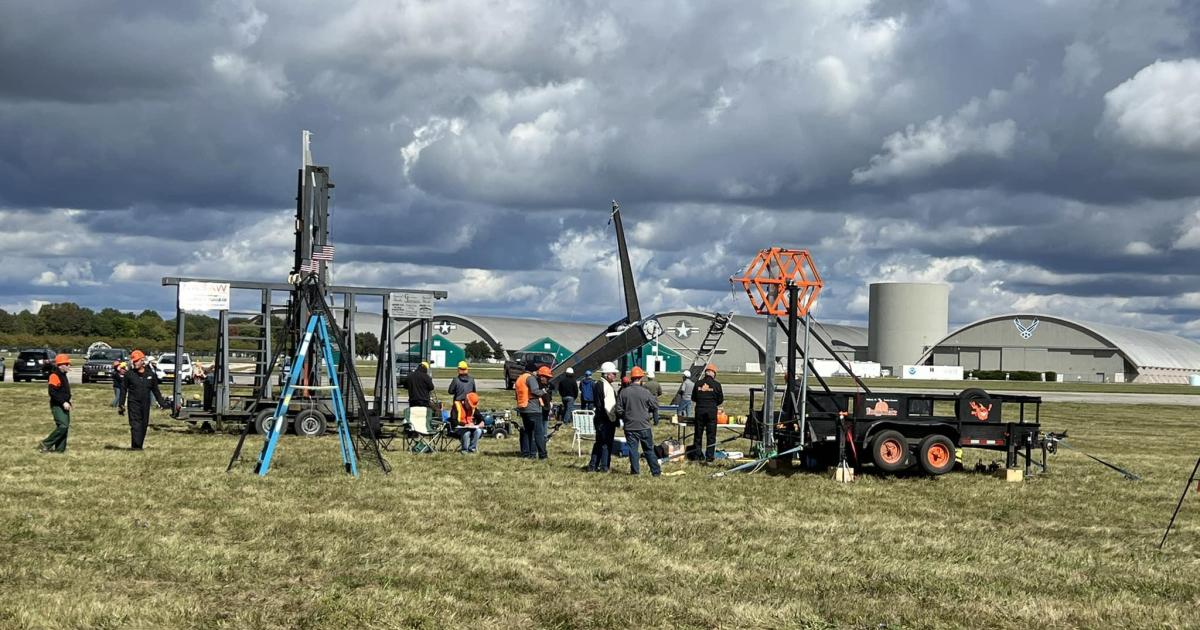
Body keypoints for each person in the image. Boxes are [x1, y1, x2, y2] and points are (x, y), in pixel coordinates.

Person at [118, 349, 169, 451]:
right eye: (133, 361)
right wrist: (121, 404)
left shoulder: (150, 375)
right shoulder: (129, 374)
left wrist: (162, 403)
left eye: (137, 361)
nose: (135, 363)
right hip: (133, 402)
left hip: (145, 403)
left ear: (142, 361)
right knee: (135, 424)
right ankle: (136, 447)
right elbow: (123, 389)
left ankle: (138, 446)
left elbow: (156, 391)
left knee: (143, 424)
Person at [616, 366, 660, 476]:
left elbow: (618, 410)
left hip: (630, 426)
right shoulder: (645, 392)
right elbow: (655, 405)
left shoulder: (624, 392)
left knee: (633, 451)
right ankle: (656, 472)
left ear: (631, 378)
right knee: (649, 450)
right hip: (644, 425)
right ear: (641, 378)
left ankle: (635, 472)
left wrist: (626, 416)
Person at [587, 362, 620, 472]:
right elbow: (609, 407)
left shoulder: (597, 384)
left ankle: (593, 465)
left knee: (599, 443)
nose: (615, 375)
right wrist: (614, 420)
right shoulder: (607, 387)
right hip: (606, 420)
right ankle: (604, 467)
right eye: (613, 373)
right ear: (607, 374)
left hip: (599, 419)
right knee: (606, 444)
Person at [515, 364, 552, 459]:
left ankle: (527, 454)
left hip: (523, 408)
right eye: (536, 372)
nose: (537, 374)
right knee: (539, 433)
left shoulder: (520, 378)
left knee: (528, 432)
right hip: (533, 409)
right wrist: (543, 391)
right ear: (533, 371)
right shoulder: (530, 378)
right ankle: (543, 455)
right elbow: (535, 391)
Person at [39, 354, 73, 453]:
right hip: (58, 405)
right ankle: (46, 443)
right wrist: (63, 402)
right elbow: (52, 392)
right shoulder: (54, 375)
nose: (69, 366)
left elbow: (62, 391)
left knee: (64, 427)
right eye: (67, 364)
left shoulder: (62, 375)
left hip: (64, 404)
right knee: (63, 426)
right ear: (61, 365)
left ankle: (60, 450)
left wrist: (68, 400)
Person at [691, 364, 724, 463]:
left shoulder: (698, 383)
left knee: (698, 434)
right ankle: (709, 456)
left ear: (706, 372)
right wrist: (713, 404)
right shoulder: (717, 385)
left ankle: (697, 455)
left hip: (700, 410)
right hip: (711, 411)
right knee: (711, 435)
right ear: (713, 373)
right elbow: (720, 399)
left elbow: (693, 398)